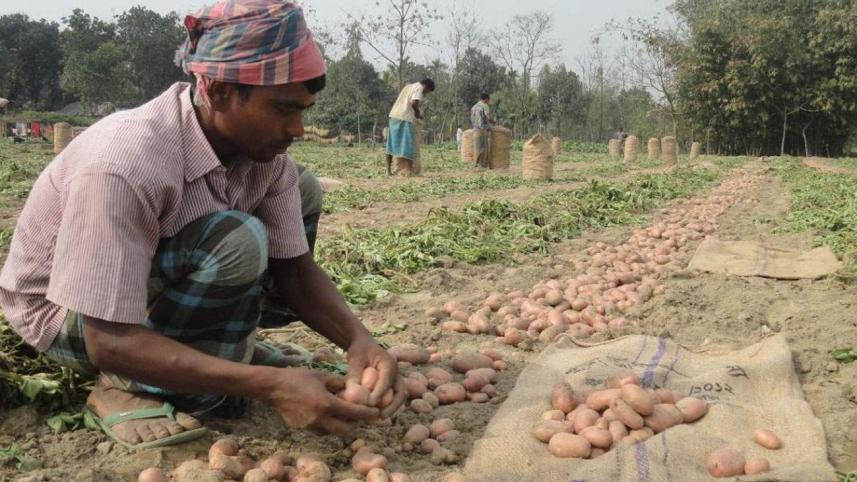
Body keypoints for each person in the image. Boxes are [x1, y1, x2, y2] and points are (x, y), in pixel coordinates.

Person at [0, 0, 405, 450]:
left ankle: (216, 352)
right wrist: (267, 385)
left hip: (147, 284)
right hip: (71, 316)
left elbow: (293, 270)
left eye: (304, 111)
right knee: (235, 241)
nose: (299, 129)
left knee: (302, 187)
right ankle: (120, 388)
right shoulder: (124, 166)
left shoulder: (262, 158)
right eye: (284, 109)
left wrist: (359, 341)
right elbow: (108, 340)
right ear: (218, 93)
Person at [385, 78, 435, 175]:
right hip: (405, 118)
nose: (424, 94)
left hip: (394, 115)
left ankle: (388, 171)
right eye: (427, 92)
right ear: (426, 87)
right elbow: (414, 103)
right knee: (408, 144)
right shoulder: (419, 88)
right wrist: (417, 113)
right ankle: (408, 171)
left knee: (391, 144)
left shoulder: (408, 86)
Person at [470, 93, 494, 169]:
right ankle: (483, 166)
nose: (488, 102)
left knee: (477, 147)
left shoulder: (474, 107)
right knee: (484, 148)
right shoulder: (485, 106)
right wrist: (493, 122)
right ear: (486, 99)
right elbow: (488, 116)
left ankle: (476, 164)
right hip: (482, 129)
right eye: (488, 100)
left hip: (475, 129)